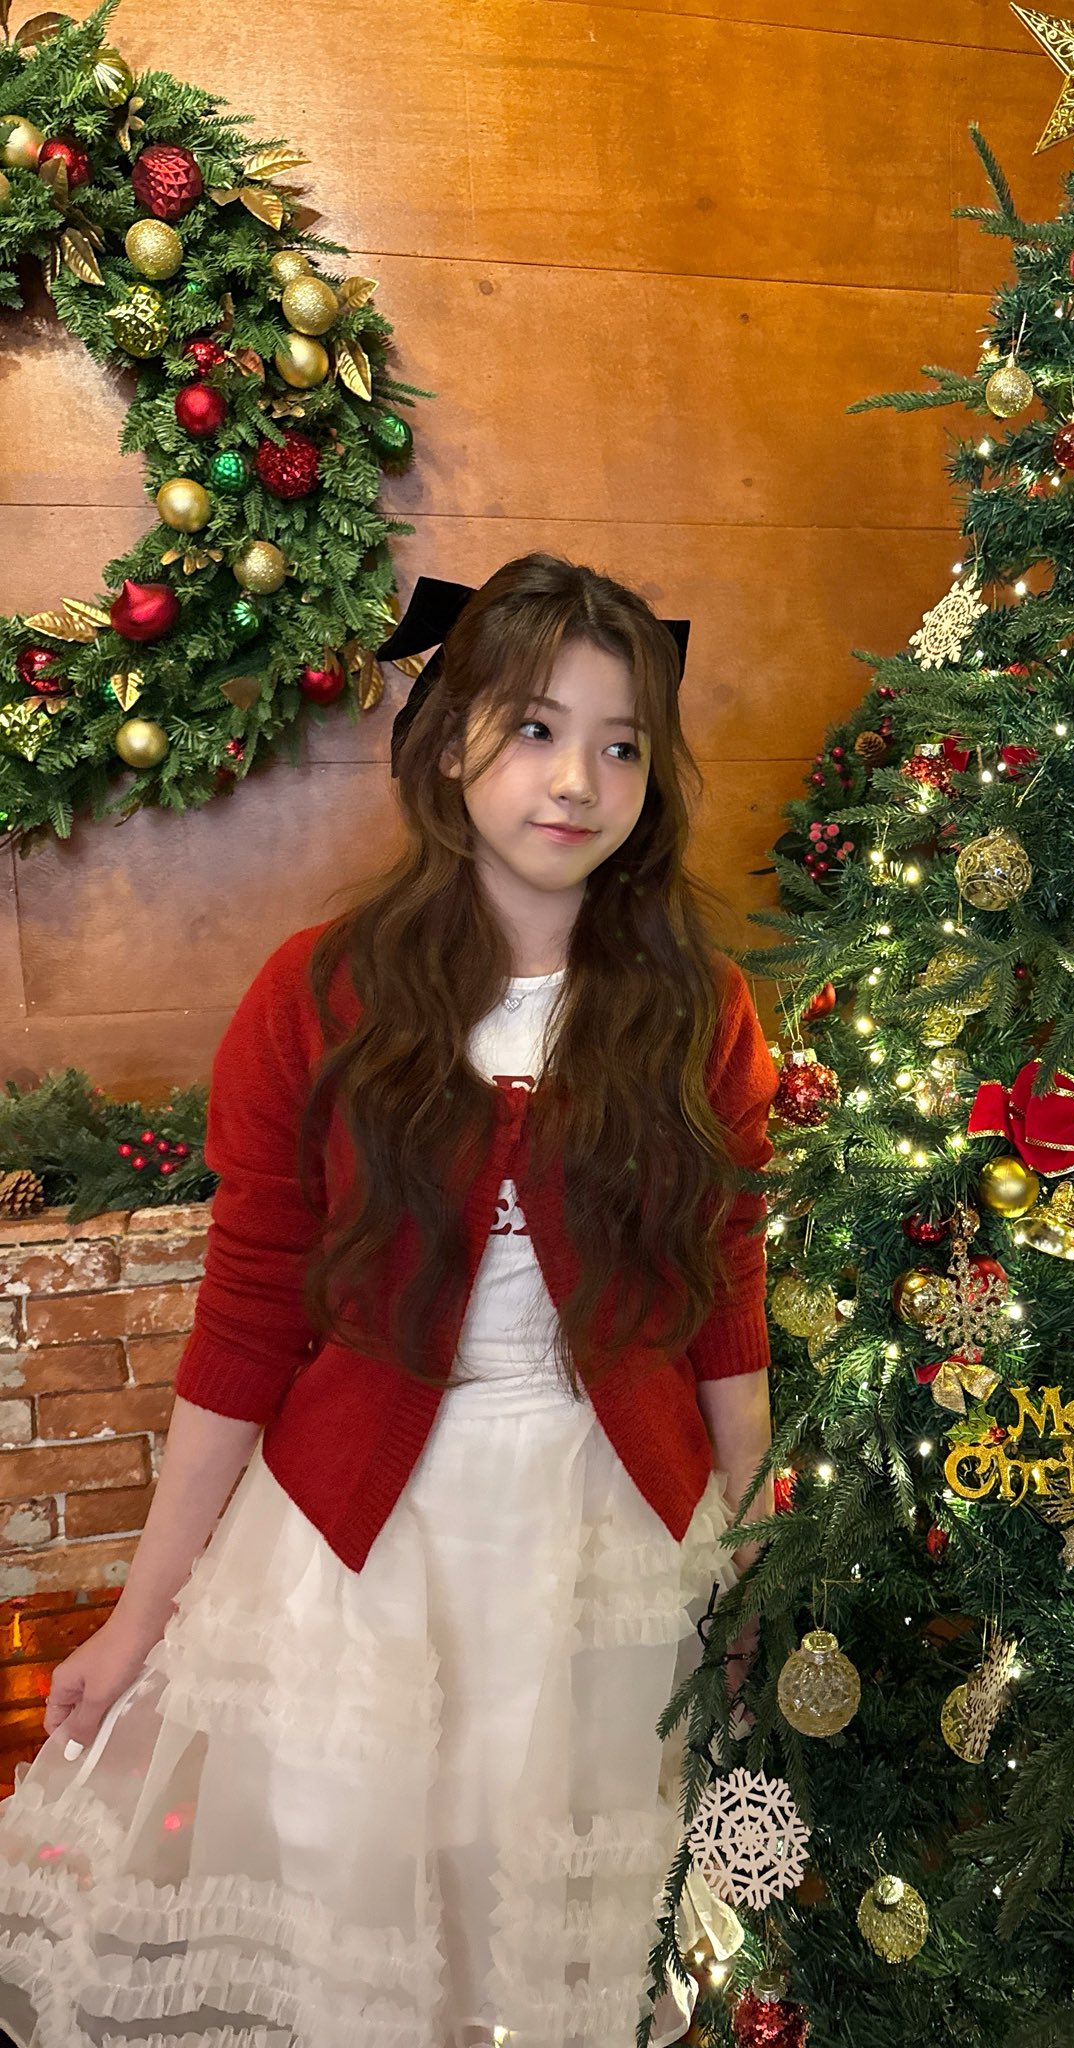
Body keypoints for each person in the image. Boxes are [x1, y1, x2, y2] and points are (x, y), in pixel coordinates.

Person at [0, 554, 777, 2048]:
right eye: (537, 728)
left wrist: (758, 1553)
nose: (580, 781)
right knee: (368, 1902)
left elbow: (723, 1295)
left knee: (562, 1916)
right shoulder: (316, 996)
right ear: (448, 735)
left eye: (622, 745)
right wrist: (143, 1617)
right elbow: (244, 1326)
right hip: (360, 1538)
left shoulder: (703, 1010)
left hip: (614, 1532)